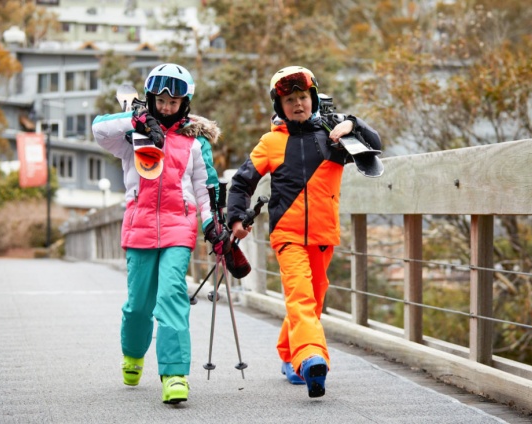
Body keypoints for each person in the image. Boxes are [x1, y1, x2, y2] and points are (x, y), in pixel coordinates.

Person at [225, 66, 381, 398]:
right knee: (301, 296)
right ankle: (311, 359)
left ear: (313, 98)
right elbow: (241, 183)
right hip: (288, 235)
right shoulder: (271, 142)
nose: (298, 104)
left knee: (313, 300)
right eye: (290, 100)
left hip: (324, 235)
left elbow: (375, 144)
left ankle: (288, 354)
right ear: (279, 106)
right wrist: (236, 217)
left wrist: (352, 123)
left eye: (303, 97)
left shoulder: (333, 135)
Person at [92, 63, 226, 404]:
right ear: (151, 99)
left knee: (171, 296)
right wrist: (135, 120)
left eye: (173, 102)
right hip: (139, 226)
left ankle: (175, 374)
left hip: (179, 226)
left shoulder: (195, 141)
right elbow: (99, 129)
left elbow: (206, 187)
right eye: (161, 101)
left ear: (184, 103)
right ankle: (133, 353)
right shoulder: (132, 136)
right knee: (138, 305)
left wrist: (212, 224)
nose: (166, 107)